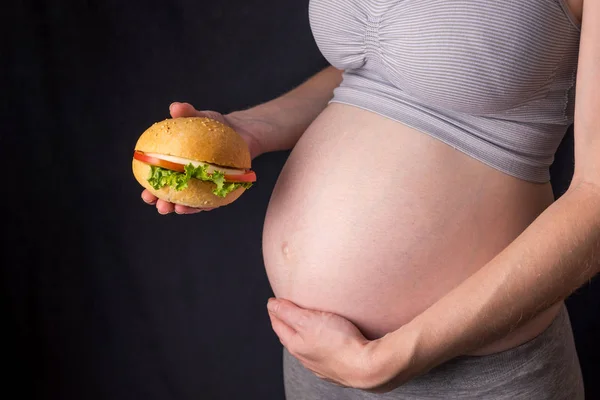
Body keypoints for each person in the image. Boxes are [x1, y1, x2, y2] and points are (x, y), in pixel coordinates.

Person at [141, 0, 598, 398]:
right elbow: (381, 66)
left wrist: (389, 358)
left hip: (476, 374)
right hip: (318, 362)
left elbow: (596, 199)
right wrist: (249, 130)